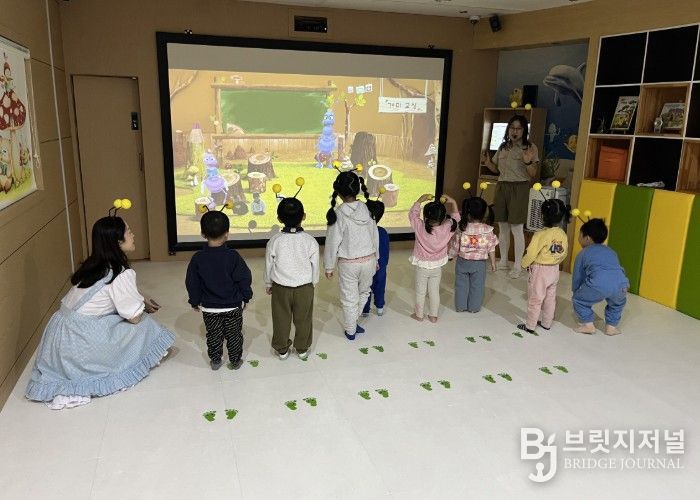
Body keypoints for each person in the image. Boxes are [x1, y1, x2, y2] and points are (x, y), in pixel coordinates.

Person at [25, 216, 175, 410]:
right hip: (80, 341)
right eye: (129, 232)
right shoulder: (121, 273)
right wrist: (140, 305)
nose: (133, 235)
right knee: (146, 325)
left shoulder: (95, 265)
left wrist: (140, 298)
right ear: (117, 241)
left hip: (60, 334)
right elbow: (134, 317)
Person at [186, 210, 253, 370]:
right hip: (233, 306)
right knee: (234, 335)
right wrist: (246, 296)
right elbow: (244, 278)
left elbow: (192, 283)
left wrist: (194, 301)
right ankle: (235, 360)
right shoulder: (233, 256)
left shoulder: (198, 258)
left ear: (203, 234)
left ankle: (216, 360)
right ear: (227, 233)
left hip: (210, 308)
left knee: (214, 335)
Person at [481, 115, 539, 279]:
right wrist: (487, 162)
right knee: (502, 226)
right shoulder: (503, 147)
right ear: (508, 129)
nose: (515, 131)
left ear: (524, 130)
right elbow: (496, 169)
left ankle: (518, 265)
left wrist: (527, 162)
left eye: (518, 128)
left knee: (516, 228)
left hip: (519, 187)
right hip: (502, 186)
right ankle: (504, 261)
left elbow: (533, 174)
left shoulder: (529, 147)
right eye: (512, 128)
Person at [323, 170, 379, 340]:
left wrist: (329, 266)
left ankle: (350, 329)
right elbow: (374, 236)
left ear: (338, 192)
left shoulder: (338, 213)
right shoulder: (367, 209)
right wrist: (376, 258)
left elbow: (332, 242)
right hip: (369, 260)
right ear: (358, 189)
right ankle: (353, 323)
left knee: (349, 298)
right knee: (364, 292)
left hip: (348, 263)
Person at [264, 197, 319, 360]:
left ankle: (282, 349)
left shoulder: (274, 240)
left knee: (281, 318)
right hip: (305, 287)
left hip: (280, 287)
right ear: (304, 216)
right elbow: (315, 265)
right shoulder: (310, 241)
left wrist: (268, 282)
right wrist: (314, 282)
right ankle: (302, 348)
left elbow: (268, 264)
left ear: (279, 218)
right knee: (304, 319)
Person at [517, 199, 569, 333]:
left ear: (543, 216)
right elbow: (564, 252)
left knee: (536, 298)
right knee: (550, 298)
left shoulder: (540, 234)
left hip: (540, 270)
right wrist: (555, 260)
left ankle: (530, 326)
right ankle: (546, 323)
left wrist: (523, 263)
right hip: (554, 269)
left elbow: (531, 253)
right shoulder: (562, 234)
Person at [572, 218, 629, 335]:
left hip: (599, 284)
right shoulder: (611, 251)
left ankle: (588, 325)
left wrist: (576, 291)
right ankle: (611, 327)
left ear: (587, 238)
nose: (578, 238)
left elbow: (578, 276)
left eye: (580, 235)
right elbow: (616, 269)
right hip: (622, 284)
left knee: (579, 300)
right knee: (617, 304)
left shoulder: (583, 253)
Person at [409, 194, 459, 323]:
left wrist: (419, 200)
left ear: (425, 216)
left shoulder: (419, 226)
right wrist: (453, 202)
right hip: (437, 266)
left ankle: (419, 315)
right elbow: (456, 218)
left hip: (422, 267)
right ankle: (433, 316)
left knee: (420, 292)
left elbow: (413, 215)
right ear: (443, 218)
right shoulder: (448, 227)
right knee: (434, 291)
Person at [449, 196, 498, 313]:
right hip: (479, 264)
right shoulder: (488, 230)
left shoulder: (462, 228)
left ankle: (460, 306)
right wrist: (493, 263)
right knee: (477, 286)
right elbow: (491, 247)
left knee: (461, 285)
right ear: (484, 213)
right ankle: (474, 308)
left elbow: (455, 245)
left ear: (467, 212)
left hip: (462, 262)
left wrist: (450, 256)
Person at [362, 199, 389, 317]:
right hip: (380, 266)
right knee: (379, 285)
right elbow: (386, 253)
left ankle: (365, 309)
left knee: (365, 286)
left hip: (366, 265)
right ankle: (379, 307)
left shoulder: (362, 232)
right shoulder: (382, 232)